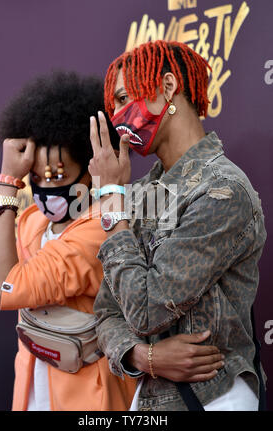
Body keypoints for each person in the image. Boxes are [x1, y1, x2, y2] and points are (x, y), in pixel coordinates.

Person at [89, 40, 267, 411]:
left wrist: (110, 202)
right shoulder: (137, 195)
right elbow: (107, 312)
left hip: (214, 398)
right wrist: (142, 356)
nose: (118, 117)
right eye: (113, 106)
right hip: (150, 400)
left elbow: (148, 310)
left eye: (124, 98)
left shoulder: (222, 190)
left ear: (168, 88)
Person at [0, 71, 138, 411]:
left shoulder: (102, 226)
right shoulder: (31, 221)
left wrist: (8, 183)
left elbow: (1, 290)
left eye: (58, 176)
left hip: (88, 394)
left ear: (89, 169)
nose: (44, 189)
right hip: (32, 385)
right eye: (36, 177)